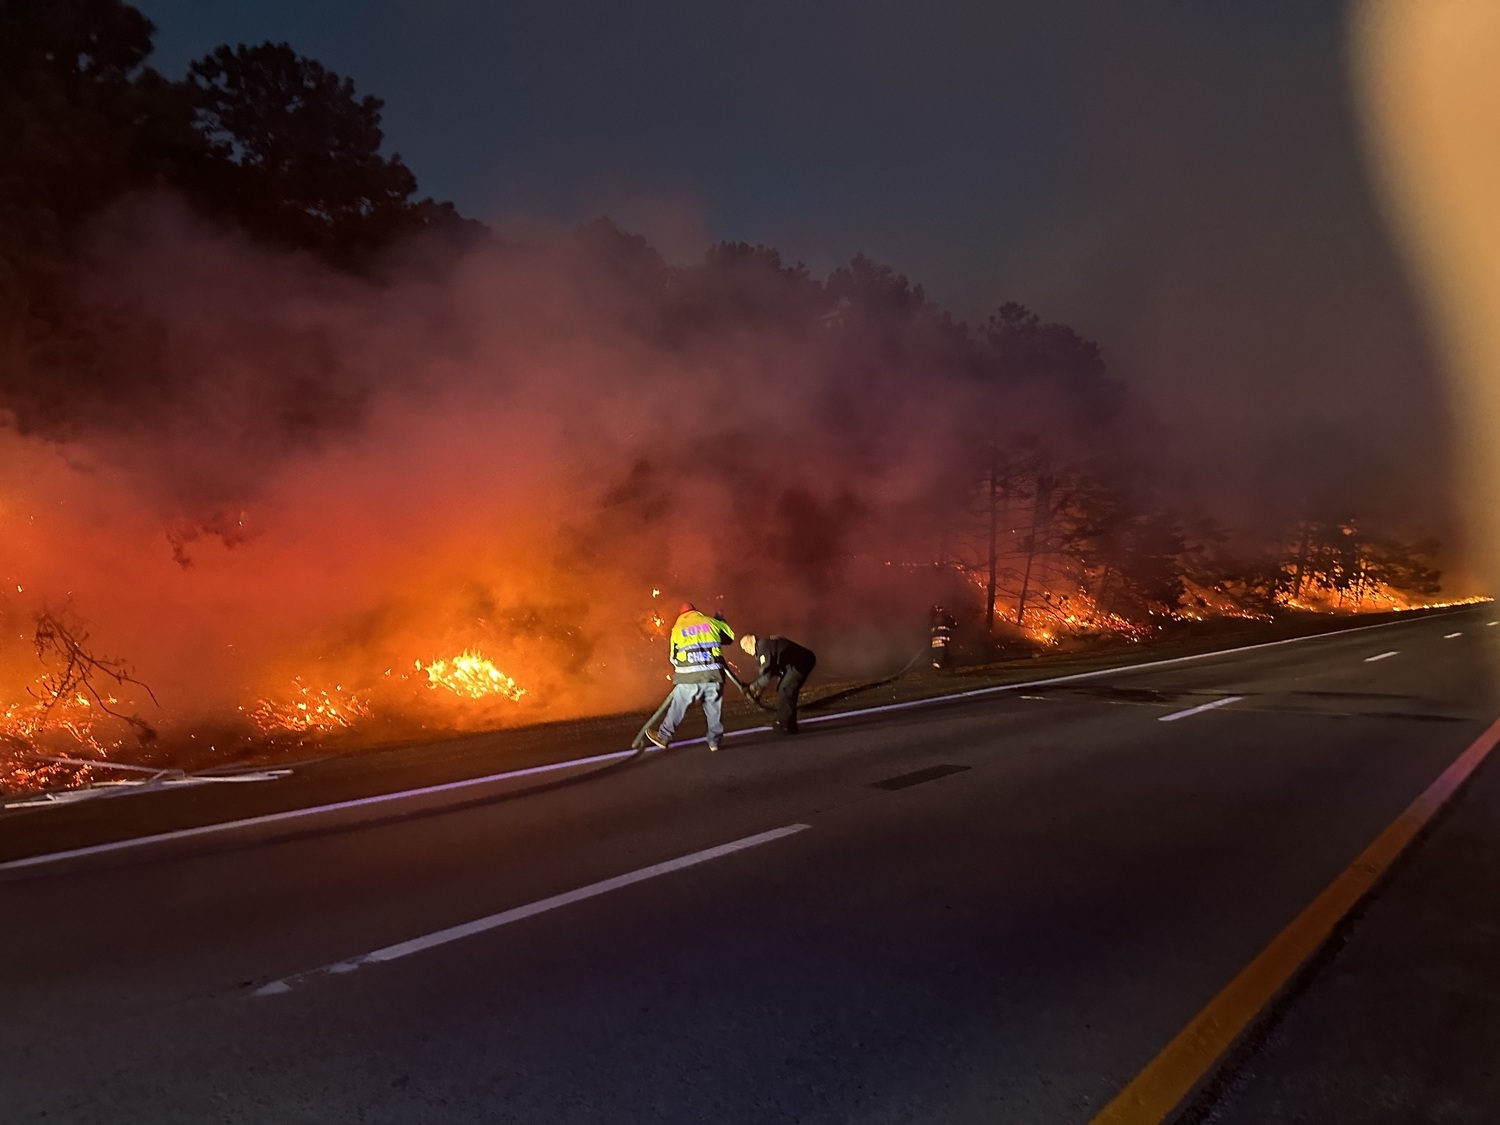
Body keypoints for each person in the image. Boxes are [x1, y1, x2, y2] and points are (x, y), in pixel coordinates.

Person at [647, 602, 736, 752]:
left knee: (678, 707)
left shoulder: (677, 629)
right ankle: (714, 743)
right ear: (696, 611)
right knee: (713, 709)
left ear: (681, 614)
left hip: (688, 677)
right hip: (713, 674)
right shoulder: (710, 622)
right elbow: (729, 637)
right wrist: (720, 621)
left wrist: (683, 670)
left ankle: (663, 737)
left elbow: (673, 658)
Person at [740, 633, 817, 735]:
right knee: (783, 689)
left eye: (746, 645)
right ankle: (786, 723)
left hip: (799, 664)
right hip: (794, 665)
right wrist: (757, 693)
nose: (746, 649)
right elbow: (770, 673)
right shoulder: (765, 648)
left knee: (785, 690)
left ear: (752, 640)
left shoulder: (763, 646)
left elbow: (767, 674)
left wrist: (752, 687)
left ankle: (788, 727)